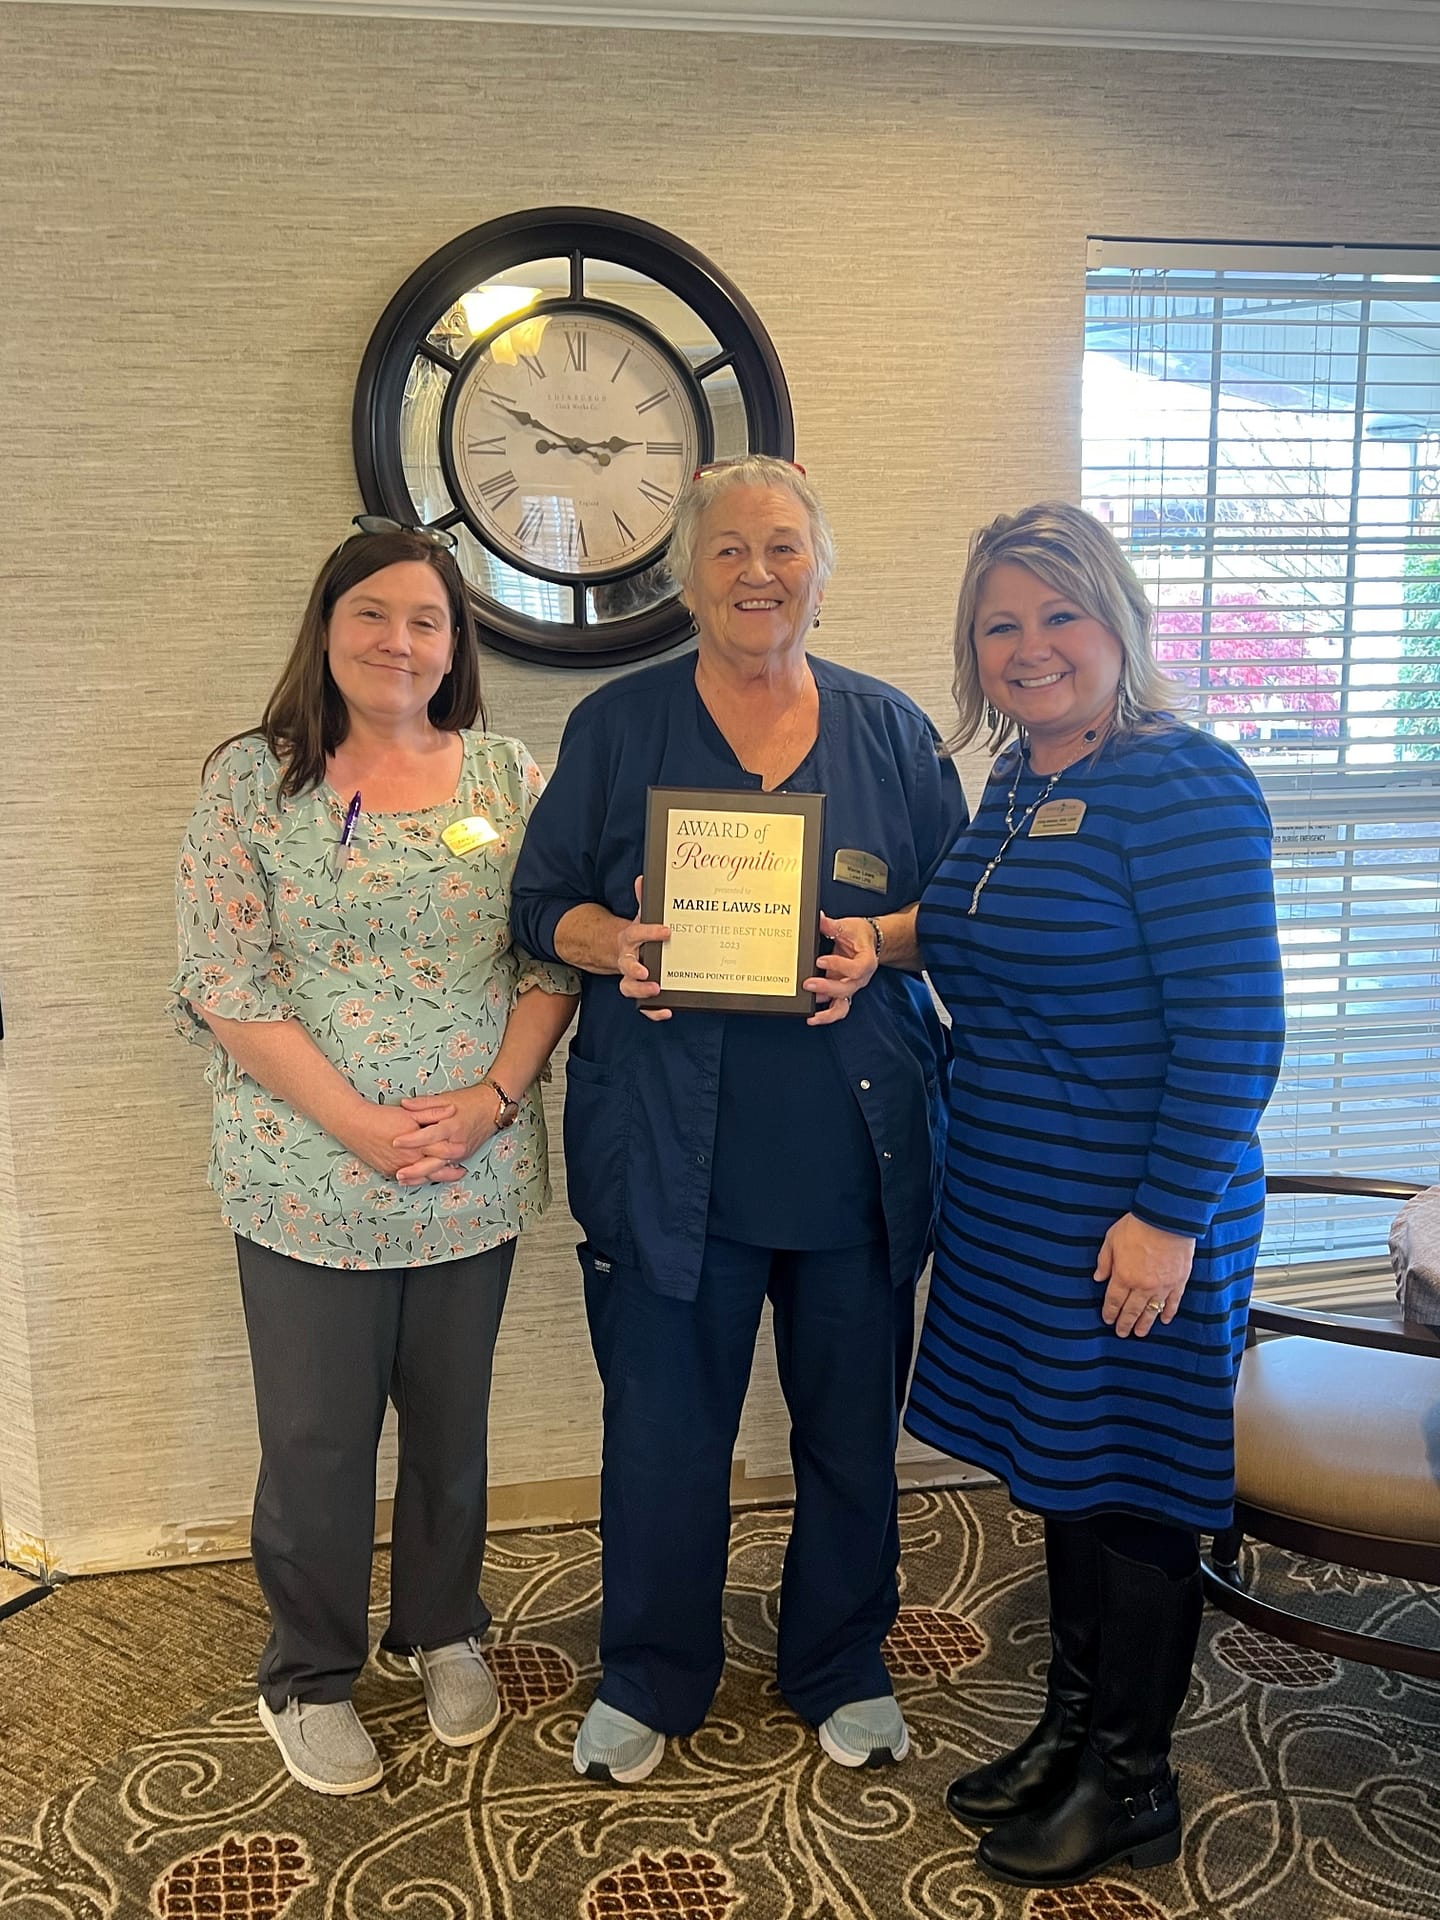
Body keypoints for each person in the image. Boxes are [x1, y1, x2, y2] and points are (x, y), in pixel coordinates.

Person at [510, 455, 967, 1784]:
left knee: (847, 1439)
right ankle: (650, 1676)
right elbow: (538, 903)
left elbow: (967, 913)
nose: (758, 571)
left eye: (784, 548)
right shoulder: (617, 728)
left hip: (855, 1164)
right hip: (667, 1161)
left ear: (821, 573)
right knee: (661, 1437)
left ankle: (843, 1658)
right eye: (729, 551)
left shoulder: (891, 734)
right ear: (685, 575)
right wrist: (616, 943)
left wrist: (875, 943)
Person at [906, 503, 1285, 1887]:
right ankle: (1071, 1727)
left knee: (1136, 1489)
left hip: (1136, 1209)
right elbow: (987, 927)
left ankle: (1132, 1778)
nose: (1032, 647)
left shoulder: (1180, 782)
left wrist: (1171, 1215)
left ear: (1118, 623)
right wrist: (863, 942)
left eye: (1060, 615)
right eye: (1001, 624)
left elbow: (1237, 1021)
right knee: (1070, 1475)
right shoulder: (1015, 777)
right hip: (1023, 1206)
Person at [172, 519, 577, 1796]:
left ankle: (443, 1627)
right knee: (318, 1439)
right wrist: (355, 1122)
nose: (399, 641)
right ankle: (310, 1670)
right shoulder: (254, 783)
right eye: (374, 616)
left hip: (474, 1165)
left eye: (427, 621)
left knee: (453, 1427)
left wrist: (492, 1100)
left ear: (454, 645)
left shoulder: (509, 779)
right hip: (304, 1172)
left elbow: (553, 954)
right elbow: (225, 981)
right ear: (328, 629)